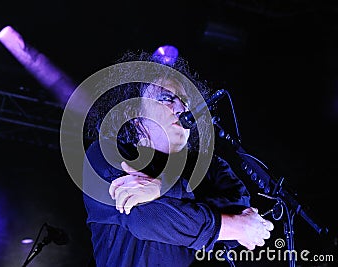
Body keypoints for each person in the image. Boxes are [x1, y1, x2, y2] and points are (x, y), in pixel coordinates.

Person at [81, 49, 274, 267]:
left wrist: (160, 191)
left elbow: (238, 209)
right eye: (166, 99)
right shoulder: (106, 154)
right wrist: (232, 226)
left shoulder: (212, 166)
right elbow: (144, 219)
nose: (182, 109)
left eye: (186, 101)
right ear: (133, 114)